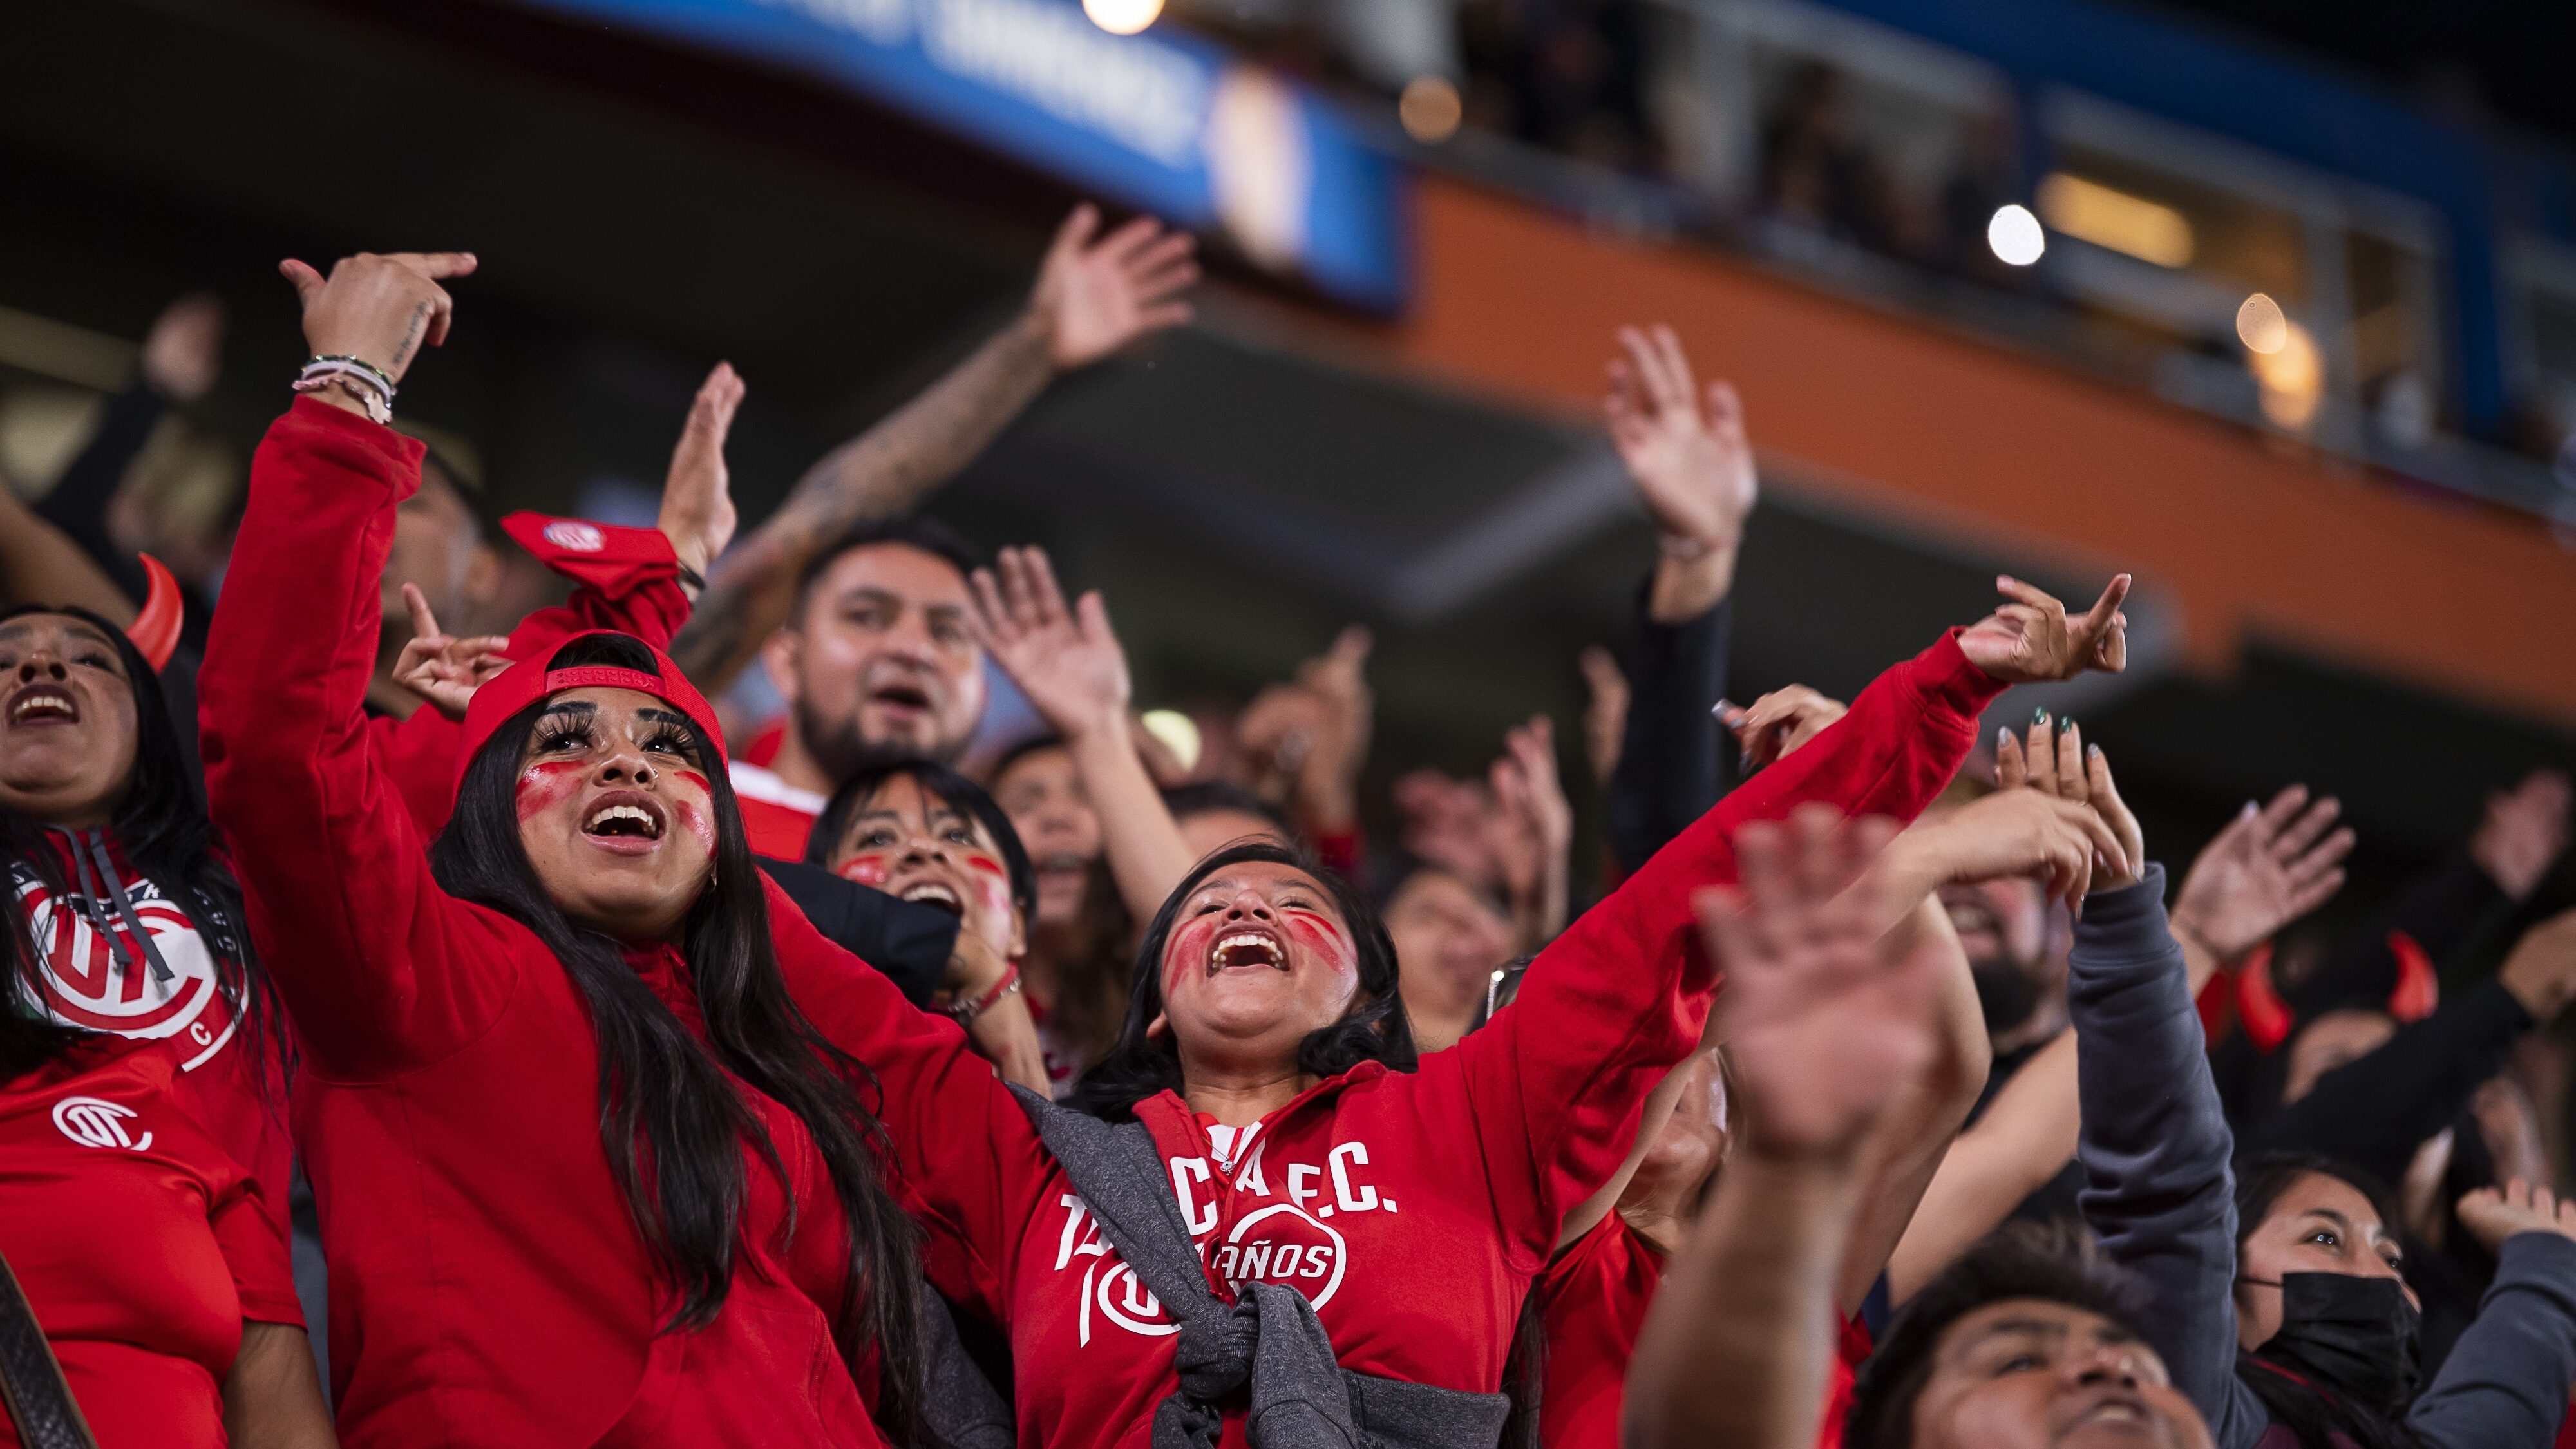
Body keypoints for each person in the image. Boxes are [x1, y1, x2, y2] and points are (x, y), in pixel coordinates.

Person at [802, 569, 2126, 1443]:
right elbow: (759, 961)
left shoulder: (1471, 1128)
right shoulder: (1028, 1169)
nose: (1247, 913)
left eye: (1297, 906)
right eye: (1203, 912)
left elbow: (1687, 912)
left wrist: (1943, 687)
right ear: (1149, 1007)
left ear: (1363, 996)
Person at [200, 249, 1037, 1446]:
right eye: (572, 743)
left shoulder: (768, 1028)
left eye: (670, 750)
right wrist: (345, 392)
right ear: (493, 803)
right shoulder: (431, 987)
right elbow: (282, 757)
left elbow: (987, 1151)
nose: (630, 763)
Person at [2057, 713, 2576, 1448]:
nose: (2379, 1276)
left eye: (2390, 1258)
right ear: (2219, 1283)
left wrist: (2544, 1261)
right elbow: (2175, 1175)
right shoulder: (2195, 1414)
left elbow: (2501, 1403)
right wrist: (2127, 919)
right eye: (2326, 1240)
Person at [1622, 808, 2212, 1449]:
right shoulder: (1550, 1250)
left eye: (1703, 1059)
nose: (2109, 1372)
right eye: (2017, 1360)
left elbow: (1956, 1082)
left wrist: (1911, 836)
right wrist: (1930, 846)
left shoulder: (1807, 1284)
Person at [683, 205, 1198, 856]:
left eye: (949, 633)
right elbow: (801, 540)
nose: (912, 649)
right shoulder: (687, 806)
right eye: (868, 617)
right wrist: (1029, 352)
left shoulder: (996, 893)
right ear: (785, 659)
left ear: (983, 693)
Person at [0, 601, 333, 1446]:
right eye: (5, 659)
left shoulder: (250, 878)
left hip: (268, 1278)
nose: (42, 668)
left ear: (153, 721)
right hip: (50, 1286)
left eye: (90, 659)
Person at [804, 755, 1050, 1092]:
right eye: (877, 838)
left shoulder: (1100, 1129)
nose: (921, 848)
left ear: (1017, 927)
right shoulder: (783, 1085)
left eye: (958, 836)